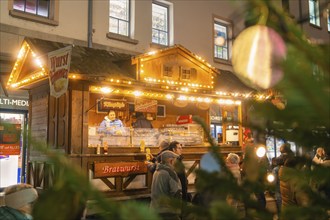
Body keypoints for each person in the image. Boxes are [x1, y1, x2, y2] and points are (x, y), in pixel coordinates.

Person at [150, 150, 182, 220]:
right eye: (175, 161)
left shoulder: (157, 171)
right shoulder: (170, 173)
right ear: (171, 161)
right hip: (168, 212)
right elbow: (176, 193)